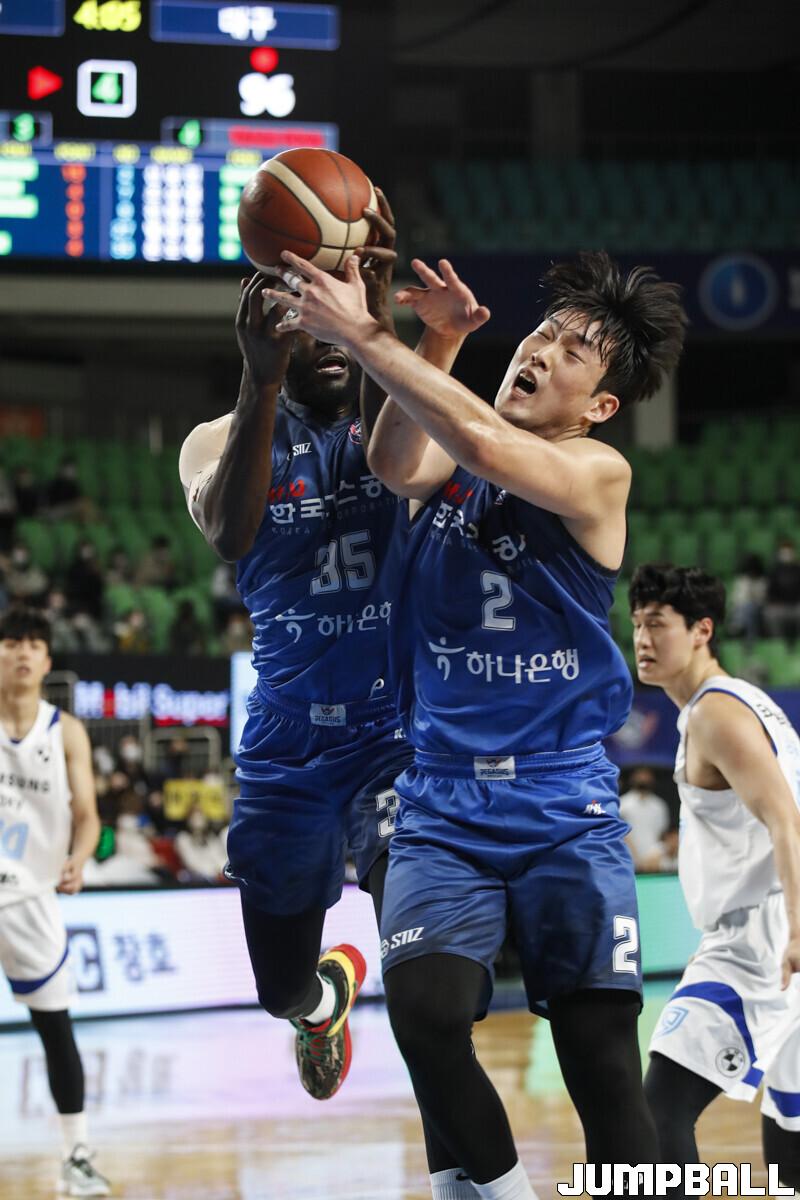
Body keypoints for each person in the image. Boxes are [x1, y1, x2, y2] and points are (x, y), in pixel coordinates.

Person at [263, 248, 686, 1197]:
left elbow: (492, 449)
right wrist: (441, 340)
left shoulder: (597, 470)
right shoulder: (457, 449)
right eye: (541, 332)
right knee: (425, 1013)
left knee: (601, 1061)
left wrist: (364, 335)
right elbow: (391, 460)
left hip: (562, 802)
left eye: (572, 352)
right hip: (443, 797)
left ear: (600, 406)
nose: (539, 350)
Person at [178, 194, 467, 1103]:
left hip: (394, 739)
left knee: (429, 984)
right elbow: (231, 534)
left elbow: (403, 448)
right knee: (278, 989)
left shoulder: (396, 424)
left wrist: (374, 314)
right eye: (313, 324)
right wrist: (259, 381)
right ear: (276, 328)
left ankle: (462, 1155)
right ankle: (324, 999)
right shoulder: (215, 439)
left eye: (345, 321)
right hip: (287, 746)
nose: (332, 342)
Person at [630, 563, 800, 1192]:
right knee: (789, 1117)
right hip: (774, 926)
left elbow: (786, 820)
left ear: (702, 630)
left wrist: (796, 931)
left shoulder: (715, 714)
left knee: (656, 1116)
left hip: (761, 939)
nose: (642, 639)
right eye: (637, 623)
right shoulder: (748, 703)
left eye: (658, 624)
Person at [0, 607, 110, 1197]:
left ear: (46, 660)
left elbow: (88, 816)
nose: (22, 651)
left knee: (55, 1028)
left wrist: (80, 857)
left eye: (33, 644)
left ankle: (76, 1156)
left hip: (31, 895)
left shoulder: (65, 731)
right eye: (11, 642)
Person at [619, 766, 671, 869]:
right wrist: (634, 857)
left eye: (646, 776)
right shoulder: (622, 804)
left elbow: (662, 834)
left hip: (653, 861)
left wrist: (655, 854)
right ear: (633, 778)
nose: (643, 779)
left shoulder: (659, 806)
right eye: (640, 776)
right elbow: (620, 833)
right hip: (626, 859)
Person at [764, 539, 800, 642]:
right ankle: (778, 643)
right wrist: (774, 602)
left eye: (789, 550)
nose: (787, 553)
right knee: (770, 613)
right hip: (780, 607)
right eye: (784, 551)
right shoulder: (774, 571)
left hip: (796, 606)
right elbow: (770, 592)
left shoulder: (798, 569)